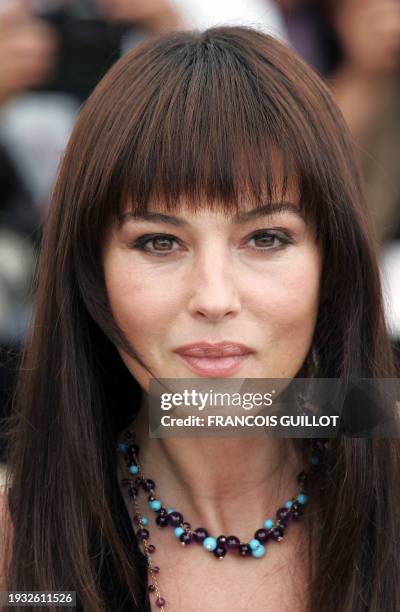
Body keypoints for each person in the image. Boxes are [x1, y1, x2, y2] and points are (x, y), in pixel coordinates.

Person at [1, 26, 399, 612]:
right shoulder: (19, 556)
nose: (214, 298)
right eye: (160, 242)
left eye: (266, 238)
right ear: (91, 271)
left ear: (331, 261)